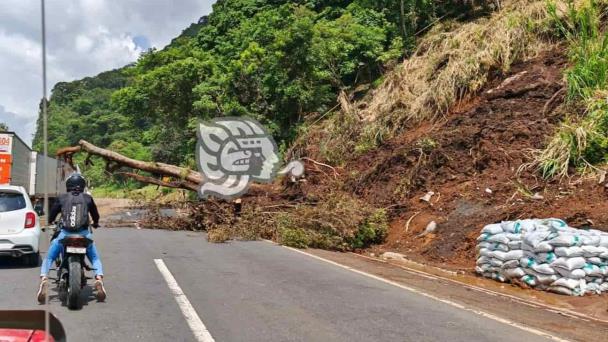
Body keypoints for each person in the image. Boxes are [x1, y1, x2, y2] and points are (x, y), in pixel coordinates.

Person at [37, 173, 106, 303]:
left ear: (68, 185)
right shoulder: (88, 198)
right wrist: (95, 223)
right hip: (84, 235)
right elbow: (95, 215)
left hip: (65, 235)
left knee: (50, 257)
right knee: (95, 258)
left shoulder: (62, 198)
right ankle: (98, 279)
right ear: (83, 186)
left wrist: (48, 223)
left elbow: (52, 214)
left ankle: (44, 279)